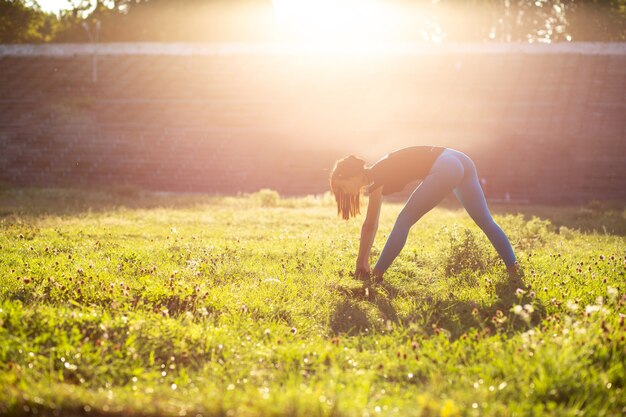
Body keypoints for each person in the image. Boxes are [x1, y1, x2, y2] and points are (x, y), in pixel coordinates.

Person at [329, 146, 518, 282]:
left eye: (343, 187)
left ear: (352, 176)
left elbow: (370, 225)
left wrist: (361, 264)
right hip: (459, 159)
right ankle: (514, 269)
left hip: (446, 166)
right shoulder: (379, 171)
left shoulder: (376, 177)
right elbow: (371, 225)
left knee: (404, 220)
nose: (344, 193)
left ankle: (377, 275)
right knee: (486, 221)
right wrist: (361, 262)